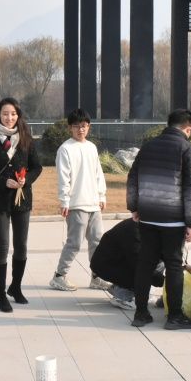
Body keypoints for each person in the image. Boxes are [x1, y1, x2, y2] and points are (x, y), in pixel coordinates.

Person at [125, 109, 191, 331]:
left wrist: (134, 207)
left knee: (145, 264)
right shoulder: (188, 150)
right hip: (173, 220)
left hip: (148, 217)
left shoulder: (148, 147)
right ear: (189, 128)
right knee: (174, 266)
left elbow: (132, 178)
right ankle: (174, 317)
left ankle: (141, 313)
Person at [0, 96, 43, 313]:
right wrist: (3, 181)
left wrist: (26, 180)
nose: (9, 117)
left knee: (21, 246)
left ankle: (16, 287)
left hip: (22, 200)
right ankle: (1, 295)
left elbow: (37, 167)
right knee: (3, 247)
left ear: (18, 115)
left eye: (13, 114)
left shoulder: (26, 138)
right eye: (5, 113)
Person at [49, 108, 108, 292]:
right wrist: (64, 201)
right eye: (76, 126)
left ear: (88, 127)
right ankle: (59, 276)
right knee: (74, 243)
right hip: (76, 204)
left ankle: (97, 277)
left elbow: (98, 174)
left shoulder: (91, 147)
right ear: (70, 128)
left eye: (84, 126)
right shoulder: (65, 149)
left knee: (97, 241)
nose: (80, 129)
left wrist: (101, 195)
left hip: (93, 204)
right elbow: (63, 178)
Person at [89, 218, 170, 313]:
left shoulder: (146, 226)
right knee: (143, 272)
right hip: (107, 265)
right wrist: (165, 282)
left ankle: (126, 288)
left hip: (121, 261)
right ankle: (122, 295)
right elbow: (138, 264)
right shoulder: (133, 230)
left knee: (159, 262)